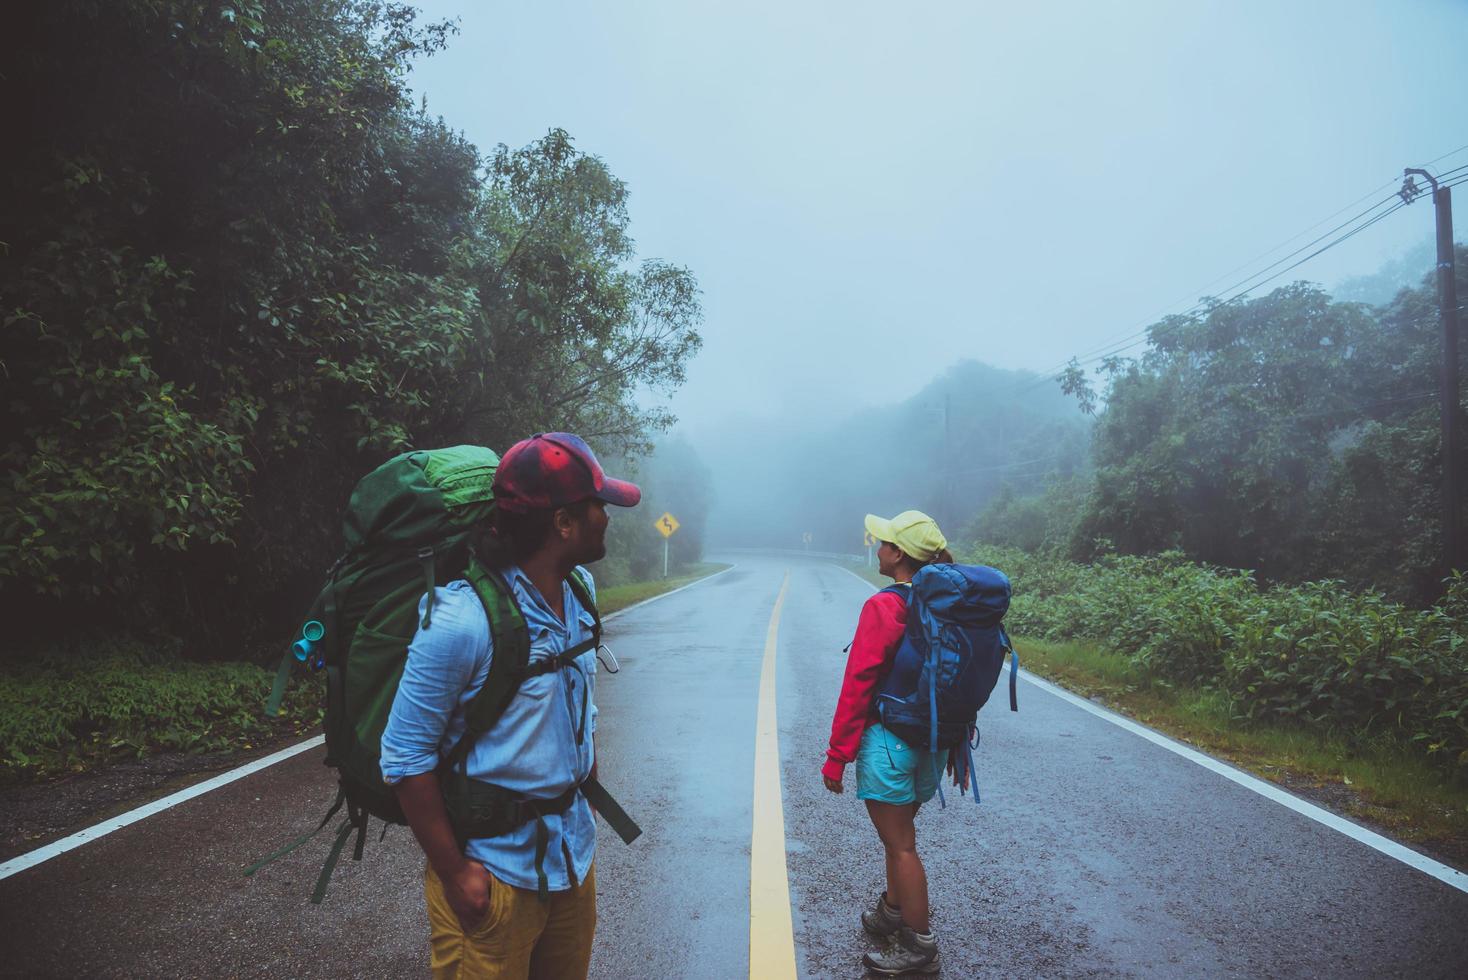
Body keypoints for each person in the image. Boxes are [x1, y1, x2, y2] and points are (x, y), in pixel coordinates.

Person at [379, 432, 640, 980]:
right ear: (563, 524)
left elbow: (579, 705)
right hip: (492, 875)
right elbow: (404, 757)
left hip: (572, 860)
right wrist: (455, 874)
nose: (607, 517)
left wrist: (581, 784)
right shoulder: (460, 621)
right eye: (597, 506)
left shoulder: (582, 591)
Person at [822, 509, 954, 977]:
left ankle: (919, 947)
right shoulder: (944, 603)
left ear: (898, 554)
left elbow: (858, 682)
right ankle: (891, 912)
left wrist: (838, 755)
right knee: (897, 834)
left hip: (891, 741)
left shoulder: (884, 606)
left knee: (901, 845)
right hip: (933, 743)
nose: (875, 547)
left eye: (882, 542)